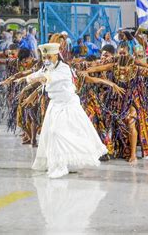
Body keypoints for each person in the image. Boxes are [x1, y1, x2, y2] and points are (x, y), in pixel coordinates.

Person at [25, 43, 107, 178]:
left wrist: (41, 78)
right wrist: (27, 78)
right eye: (44, 57)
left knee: (58, 132)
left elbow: (50, 78)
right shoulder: (47, 67)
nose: (46, 60)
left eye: (48, 57)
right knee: (52, 135)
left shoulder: (64, 68)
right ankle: (63, 163)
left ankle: (61, 166)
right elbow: (36, 75)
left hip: (68, 106)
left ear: (56, 55)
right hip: (55, 106)